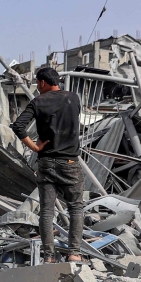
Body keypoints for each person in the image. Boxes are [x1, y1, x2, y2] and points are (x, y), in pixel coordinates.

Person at [11, 67, 84, 263]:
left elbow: (18, 126)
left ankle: (49, 257)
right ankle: (74, 254)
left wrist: (35, 146)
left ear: (43, 82)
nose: (36, 87)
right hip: (70, 162)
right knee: (76, 208)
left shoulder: (38, 102)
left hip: (46, 162)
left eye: (37, 83)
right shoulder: (73, 98)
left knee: (46, 211)